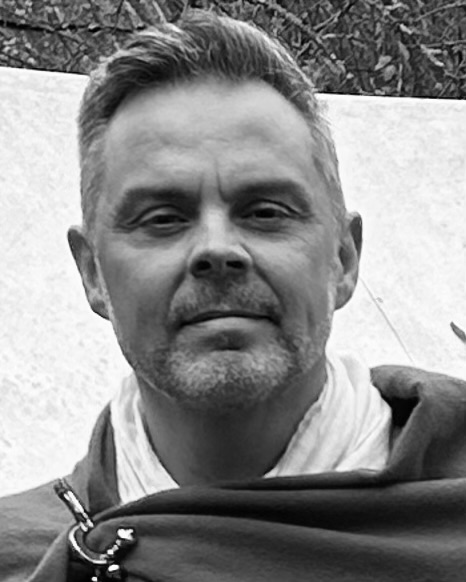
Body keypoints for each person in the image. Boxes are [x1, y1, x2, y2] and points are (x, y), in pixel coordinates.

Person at [2, 9, 466, 582]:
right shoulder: (21, 560)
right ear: (93, 272)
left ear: (344, 259)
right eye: (163, 218)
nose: (217, 250)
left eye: (265, 212)